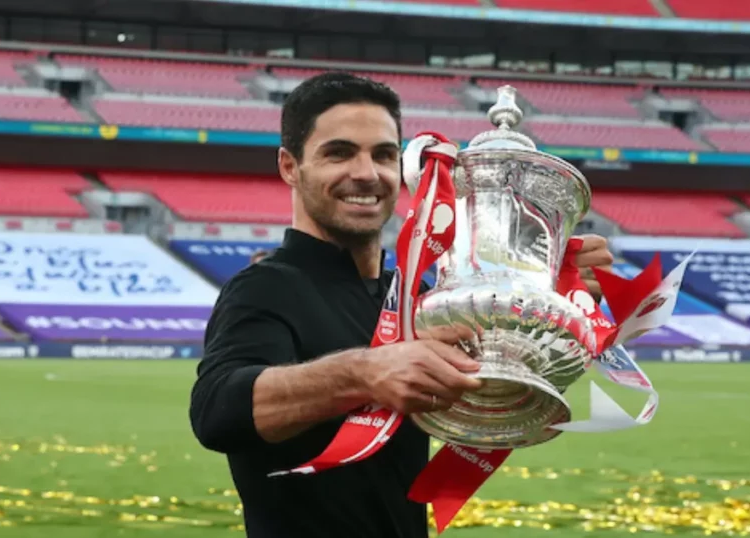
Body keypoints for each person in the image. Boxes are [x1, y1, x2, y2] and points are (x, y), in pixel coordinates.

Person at [188, 72, 615, 538]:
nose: (367, 173)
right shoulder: (264, 287)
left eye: (384, 155)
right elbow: (217, 412)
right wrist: (364, 372)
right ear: (291, 167)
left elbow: (502, 379)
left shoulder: (416, 300)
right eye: (339, 153)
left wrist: (551, 288)